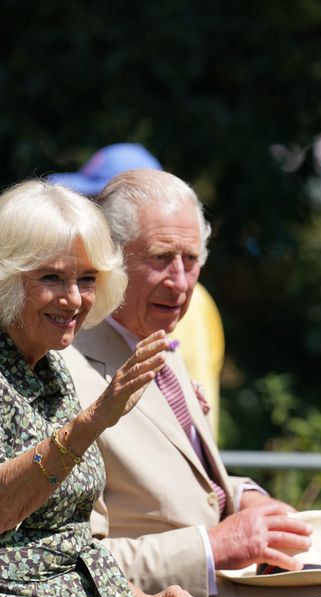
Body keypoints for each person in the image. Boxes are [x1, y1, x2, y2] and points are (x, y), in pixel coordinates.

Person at [61, 169, 321, 597]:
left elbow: (187, 482)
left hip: (221, 585)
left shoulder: (156, 338)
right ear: (110, 259)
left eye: (191, 259)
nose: (181, 281)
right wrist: (214, 545)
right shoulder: (69, 369)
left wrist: (250, 500)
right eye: (162, 258)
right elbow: (66, 558)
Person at [0, 180, 205, 597]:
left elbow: (72, 540)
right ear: (4, 277)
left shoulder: (50, 368)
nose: (74, 298)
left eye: (88, 279)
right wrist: (92, 422)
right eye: (52, 277)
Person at [49, 143, 226, 436]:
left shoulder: (189, 306)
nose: (179, 283)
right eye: (160, 257)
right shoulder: (60, 341)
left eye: (100, 202)